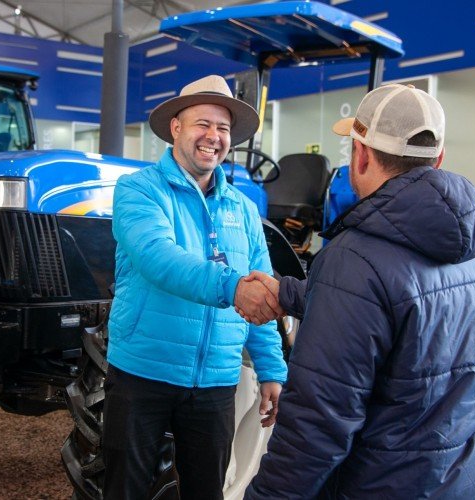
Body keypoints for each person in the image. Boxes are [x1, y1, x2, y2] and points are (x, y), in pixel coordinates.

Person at [243, 84, 475, 498]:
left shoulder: (355, 258)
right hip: (465, 478)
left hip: (384, 483)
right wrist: (291, 293)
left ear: (360, 155)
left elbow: (318, 423)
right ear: (438, 158)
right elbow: (405, 318)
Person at [104, 74, 288, 499]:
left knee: (207, 490)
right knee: (124, 488)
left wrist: (271, 369)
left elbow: (261, 292)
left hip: (216, 379)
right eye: (202, 124)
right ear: (176, 128)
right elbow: (158, 257)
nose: (213, 137)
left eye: (223, 129)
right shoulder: (139, 189)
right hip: (143, 369)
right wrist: (232, 286)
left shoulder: (243, 210)